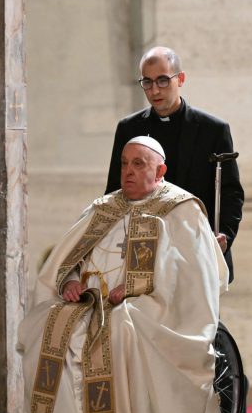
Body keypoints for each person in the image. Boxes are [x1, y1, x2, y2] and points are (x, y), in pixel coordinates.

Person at [9, 136, 229, 413]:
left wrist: (138, 286)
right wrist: (69, 279)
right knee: (49, 323)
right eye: (124, 163)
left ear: (161, 170)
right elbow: (70, 257)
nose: (128, 171)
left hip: (150, 306)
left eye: (138, 164)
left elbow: (192, 275)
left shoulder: (181, 210)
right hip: (88, 302)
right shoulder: (104, 208)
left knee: (118, 327)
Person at [105, 46, 244, 282]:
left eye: (162, 80)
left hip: (198, 251)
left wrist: (225, 237)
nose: (154, 90)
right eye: (147, 82)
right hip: (143, 252)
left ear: (180, 79)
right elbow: (115, 190)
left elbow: (231, 193)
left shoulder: (213, 130)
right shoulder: (129, 129)